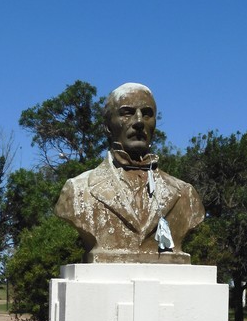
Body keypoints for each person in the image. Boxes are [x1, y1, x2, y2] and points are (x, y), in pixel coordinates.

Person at [55, 83, 204, 262]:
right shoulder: (78, 190)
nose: (139, 121)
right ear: (108, 126)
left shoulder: (185, 194)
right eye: (127, 112)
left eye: (147, 113)